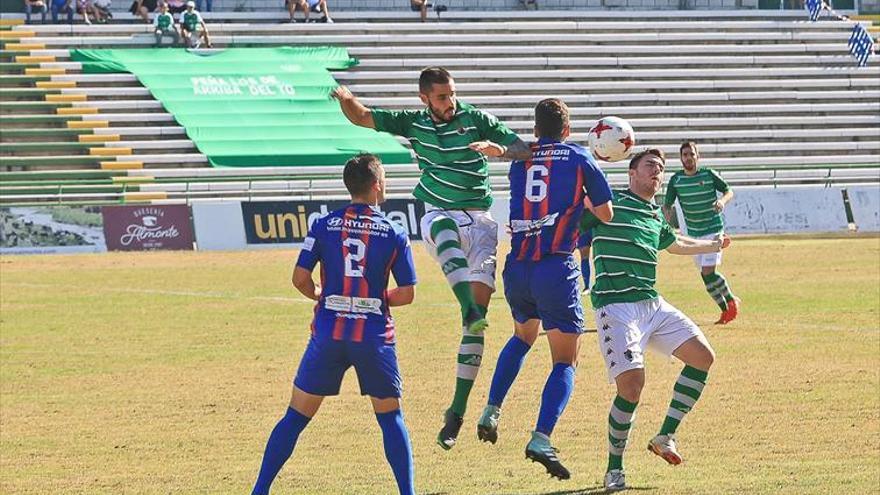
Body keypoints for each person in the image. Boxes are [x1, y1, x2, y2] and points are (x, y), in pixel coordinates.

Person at [332, 67, 532, 451]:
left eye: (452, 94)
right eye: (442, 97)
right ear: (425, 98)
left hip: (482, 222)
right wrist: (343, 97)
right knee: (441, 230)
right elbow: (362, 116)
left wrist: (499, 150)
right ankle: (469, 308)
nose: (450, 102)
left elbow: (522, 148)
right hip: (439, 211)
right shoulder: (413, 123)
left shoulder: (476, 119)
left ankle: (456, 412)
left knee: (474, 331)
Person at [250, 154, 418, 495]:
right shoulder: (394, 231)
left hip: (329, 332)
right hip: (373, 336)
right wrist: (374, 300)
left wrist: (322, 296)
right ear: (376, 185)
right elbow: (407, 293)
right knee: (390, 418)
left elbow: (299, 278)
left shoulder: (323, 225)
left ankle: (260, 491)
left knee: (295, 417)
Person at [476, 98, 613, 479]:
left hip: (518, 266)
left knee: (522, 335)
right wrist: (584, 200)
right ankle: (540, 437)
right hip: (556, 265)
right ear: (567, 130)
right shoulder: (581, 156)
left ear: (536, 129)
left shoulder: (522, 156)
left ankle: (491, 408)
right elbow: (606, 214)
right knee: (565, 360)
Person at [580, 148, 729, 492]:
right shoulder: (609, 203)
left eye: (661, 169)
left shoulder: (653, 212)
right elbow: (573, 218)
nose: (657, 173)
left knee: (703, 357)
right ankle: (614, 470)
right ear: (631, 172)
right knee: (631, 388)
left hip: (651, 303)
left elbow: (673, 243)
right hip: (616, 306)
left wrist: (710, 243)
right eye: (650, 166)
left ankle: (665, 435)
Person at [662, 141, 739, 324]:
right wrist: (666, 221)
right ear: (681, 158)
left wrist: (722, 201)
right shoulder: (676, 180)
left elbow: (728, 191)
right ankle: (725, 310)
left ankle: (731, 301)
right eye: (685, 155)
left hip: (713, 230)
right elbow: (667, 205)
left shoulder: (708, 174)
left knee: (708, 272)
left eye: (691, 154)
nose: (688, 158)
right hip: (693, 235)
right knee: (705, 278)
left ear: (698, 156)